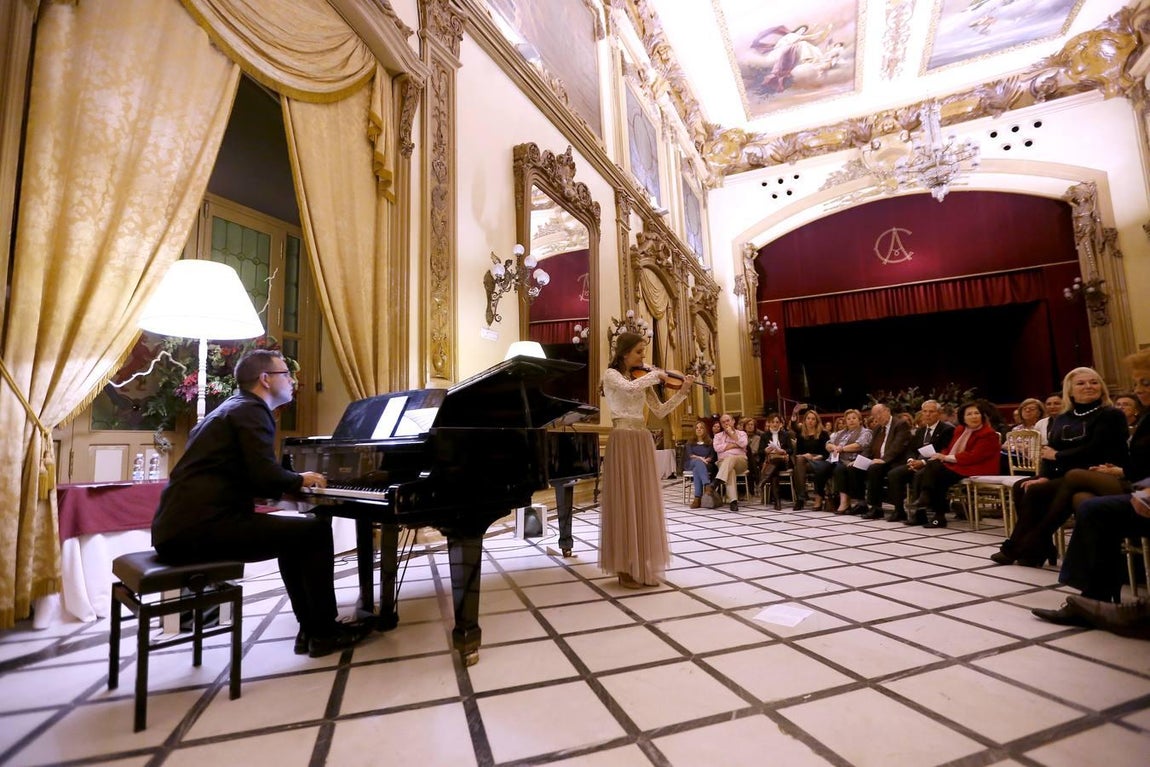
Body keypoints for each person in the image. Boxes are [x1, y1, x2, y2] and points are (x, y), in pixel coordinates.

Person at [152, 349, 370, 658]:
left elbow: (248, 478)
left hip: (179, 528)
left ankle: (310, 627)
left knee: (295, 538)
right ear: (265, 379)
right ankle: (323, 631)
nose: (293, 380)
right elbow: (264, 475)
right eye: (286, 374)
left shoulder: (231, 409)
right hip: (201, 529)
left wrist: (288, 485)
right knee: (314, 534)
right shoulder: (252, 412)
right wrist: (299, 480)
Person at [991, 367, 1128, 566]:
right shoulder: (1064, 417)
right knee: (1023, 486)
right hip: (1064, 473)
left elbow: (1095, 449)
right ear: (1070, 391)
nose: (1088, 386)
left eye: (1094, 382)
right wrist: (1044, 474)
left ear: (1102, 387)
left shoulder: (1111, 414)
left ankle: (1021, 546)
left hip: (1097, 473)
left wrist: (1058, 456)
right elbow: (1049, 451)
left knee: (1041, 492)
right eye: (1081, 383)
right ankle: (1040, 548)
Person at [599, 332, 693, 588]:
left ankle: (641, 565)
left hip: (641, 439)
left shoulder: (642, 378)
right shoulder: (612, 375)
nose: (643, 357)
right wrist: (658, 374)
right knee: (625, 502)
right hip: (622, 438)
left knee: (642, 502)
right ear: (625, 353)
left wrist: (682, 392)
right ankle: (624, 568)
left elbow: (659, 410)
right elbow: (628, 388)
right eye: (639, 352)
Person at [908, 400, 1001, 528]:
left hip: (977, 467)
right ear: (963, 417)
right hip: (960, 465)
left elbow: (974, 457)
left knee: (937, 472)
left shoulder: (988, 434)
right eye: (969, 414)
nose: (974, 416)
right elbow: (950, 448)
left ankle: (929, 501)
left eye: (977, 413)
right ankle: (934, 512)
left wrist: (945, 457)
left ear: (982, 416)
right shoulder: (960, 430)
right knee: (934, 467)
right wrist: (940, 455)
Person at [889, 400, 955, 523]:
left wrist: (923, 463)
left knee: (920, 474)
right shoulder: (920, 431)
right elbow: (911, 450)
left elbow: (944, 451)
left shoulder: (947, 430)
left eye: (931, 411)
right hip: (916, 463)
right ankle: (899, 511)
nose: (927, 414)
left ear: (939, 413)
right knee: (894, 473)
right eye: (925, 412)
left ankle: (920, 514)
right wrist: (911, 460)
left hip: (935, 464)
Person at [852, 403, 911, 519]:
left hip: (894, 461)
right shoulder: (878, 428)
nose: (877, 417)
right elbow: (869, 447)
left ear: (888, 411)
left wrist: (883, 460)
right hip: (878, 461)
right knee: (855, 468)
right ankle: (862, 503)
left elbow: (897, 447)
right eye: (874, 415)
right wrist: (860, 460)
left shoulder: (900, 424)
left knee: (874, 468)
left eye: (879, 413)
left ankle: (877, 507)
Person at [825, 408, 871, 513]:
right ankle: (833, 499)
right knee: (823, 468)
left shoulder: (866, 432)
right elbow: (828, 444)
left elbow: (859, 445)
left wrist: (841, 449)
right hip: (837, 459)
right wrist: (834, 447)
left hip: (855, 460)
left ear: (860, 420)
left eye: (854, 418)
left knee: (839, 469)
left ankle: (844, 502)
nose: (851, 420)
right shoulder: (840, 433)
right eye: (849, 418)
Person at [791, 408, 829, 511]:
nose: (810, 421)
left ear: (817, 421)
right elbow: (798, 453)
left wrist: (814, 457)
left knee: (797, 469)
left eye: (813, 419)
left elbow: (826, 453)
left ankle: (800, 499)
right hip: (805, 462)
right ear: (805, 420)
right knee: (799, 461)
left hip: (819, 460)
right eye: (808, 418)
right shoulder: (801, 435)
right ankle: (801, 497)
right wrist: (805, 456)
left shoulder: (823, 434)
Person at [756, 413, 793, 510]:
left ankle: (763, 480)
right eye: (773, 422)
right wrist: (765, 451)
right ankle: (777, 501)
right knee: (774, 473)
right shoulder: (764, 435)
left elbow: (791, 450)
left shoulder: (786, 434)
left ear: (781, 424)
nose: (775, 424)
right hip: (770, 461)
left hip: (783, 461)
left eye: (777, 422)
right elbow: (759, 452)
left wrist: (783, 451)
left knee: (775, 461)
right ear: (769, 423)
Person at [712, 413, 748, 511]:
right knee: (730, 471)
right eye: (723, 422)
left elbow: (743, 443)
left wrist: (732, 434)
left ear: (733, 421)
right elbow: (717, 448)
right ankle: (733, 502)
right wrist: (734, 445)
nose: (726, 423)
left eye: (728, 421)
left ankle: (717, 481)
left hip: (740, 461)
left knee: (731, 458)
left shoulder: (742, 433)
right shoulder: (718, 436)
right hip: (723, 462)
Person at [684, 419, 718, 508]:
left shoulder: (710, 442)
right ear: (694, 430)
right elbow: (690, 455)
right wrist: (700, 459)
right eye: (697, 428)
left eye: (701, 428)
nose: (699, 430)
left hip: (706, 464)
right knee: (697, 463)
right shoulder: (690, 443)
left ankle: (697, 498)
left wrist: (706, 460)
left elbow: (712, 456)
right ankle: (707, 485)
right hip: (691, 463)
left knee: (697, 470)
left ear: (704, 430)